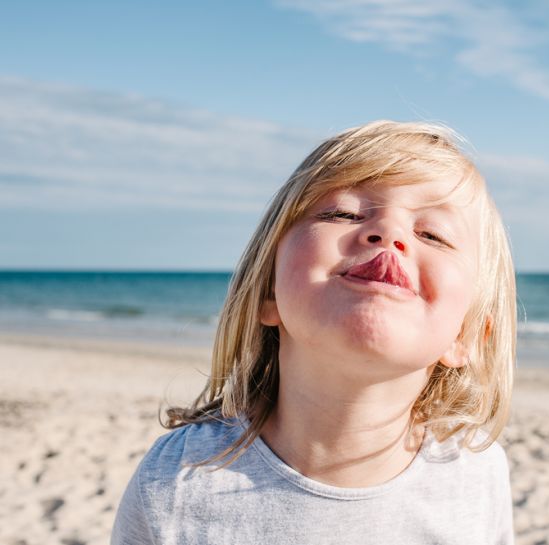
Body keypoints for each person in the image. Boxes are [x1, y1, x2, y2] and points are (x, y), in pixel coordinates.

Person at [111, 120, 518, 544]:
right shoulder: (176, 482)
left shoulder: (477, 477)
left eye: (433, 234)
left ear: (467, 334)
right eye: (343, 213)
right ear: (268, 288)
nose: (390, 233)